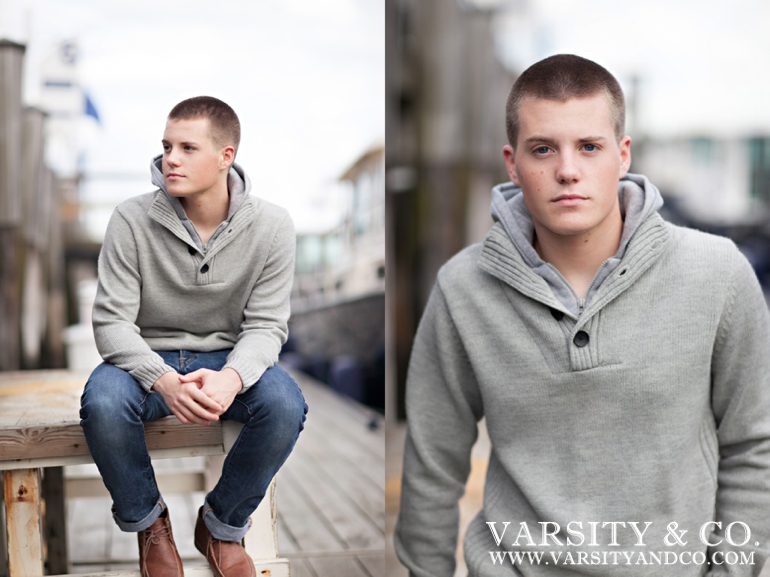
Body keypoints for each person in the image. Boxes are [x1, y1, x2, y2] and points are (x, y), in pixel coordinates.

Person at [395, 54, 770, 576]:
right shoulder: (463, 288)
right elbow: (433, 460)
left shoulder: (718, 273)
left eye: (589, 147)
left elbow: (756, 444)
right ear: (512, 162)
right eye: (543, 149)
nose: (567, 170)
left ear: (622, 155)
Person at [80, 96, 308, 577]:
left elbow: (266, 326)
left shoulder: (272, 226)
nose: (171, 159)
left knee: (285, 404)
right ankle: (152, 526)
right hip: (146, 359)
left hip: (227, 358)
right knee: (101, 402)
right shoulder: (130, 219)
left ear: (226, 156)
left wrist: (232, 378)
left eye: (187, 147)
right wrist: (162, 379)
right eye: (166, 146)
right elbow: (111, 324)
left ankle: (221, 526)